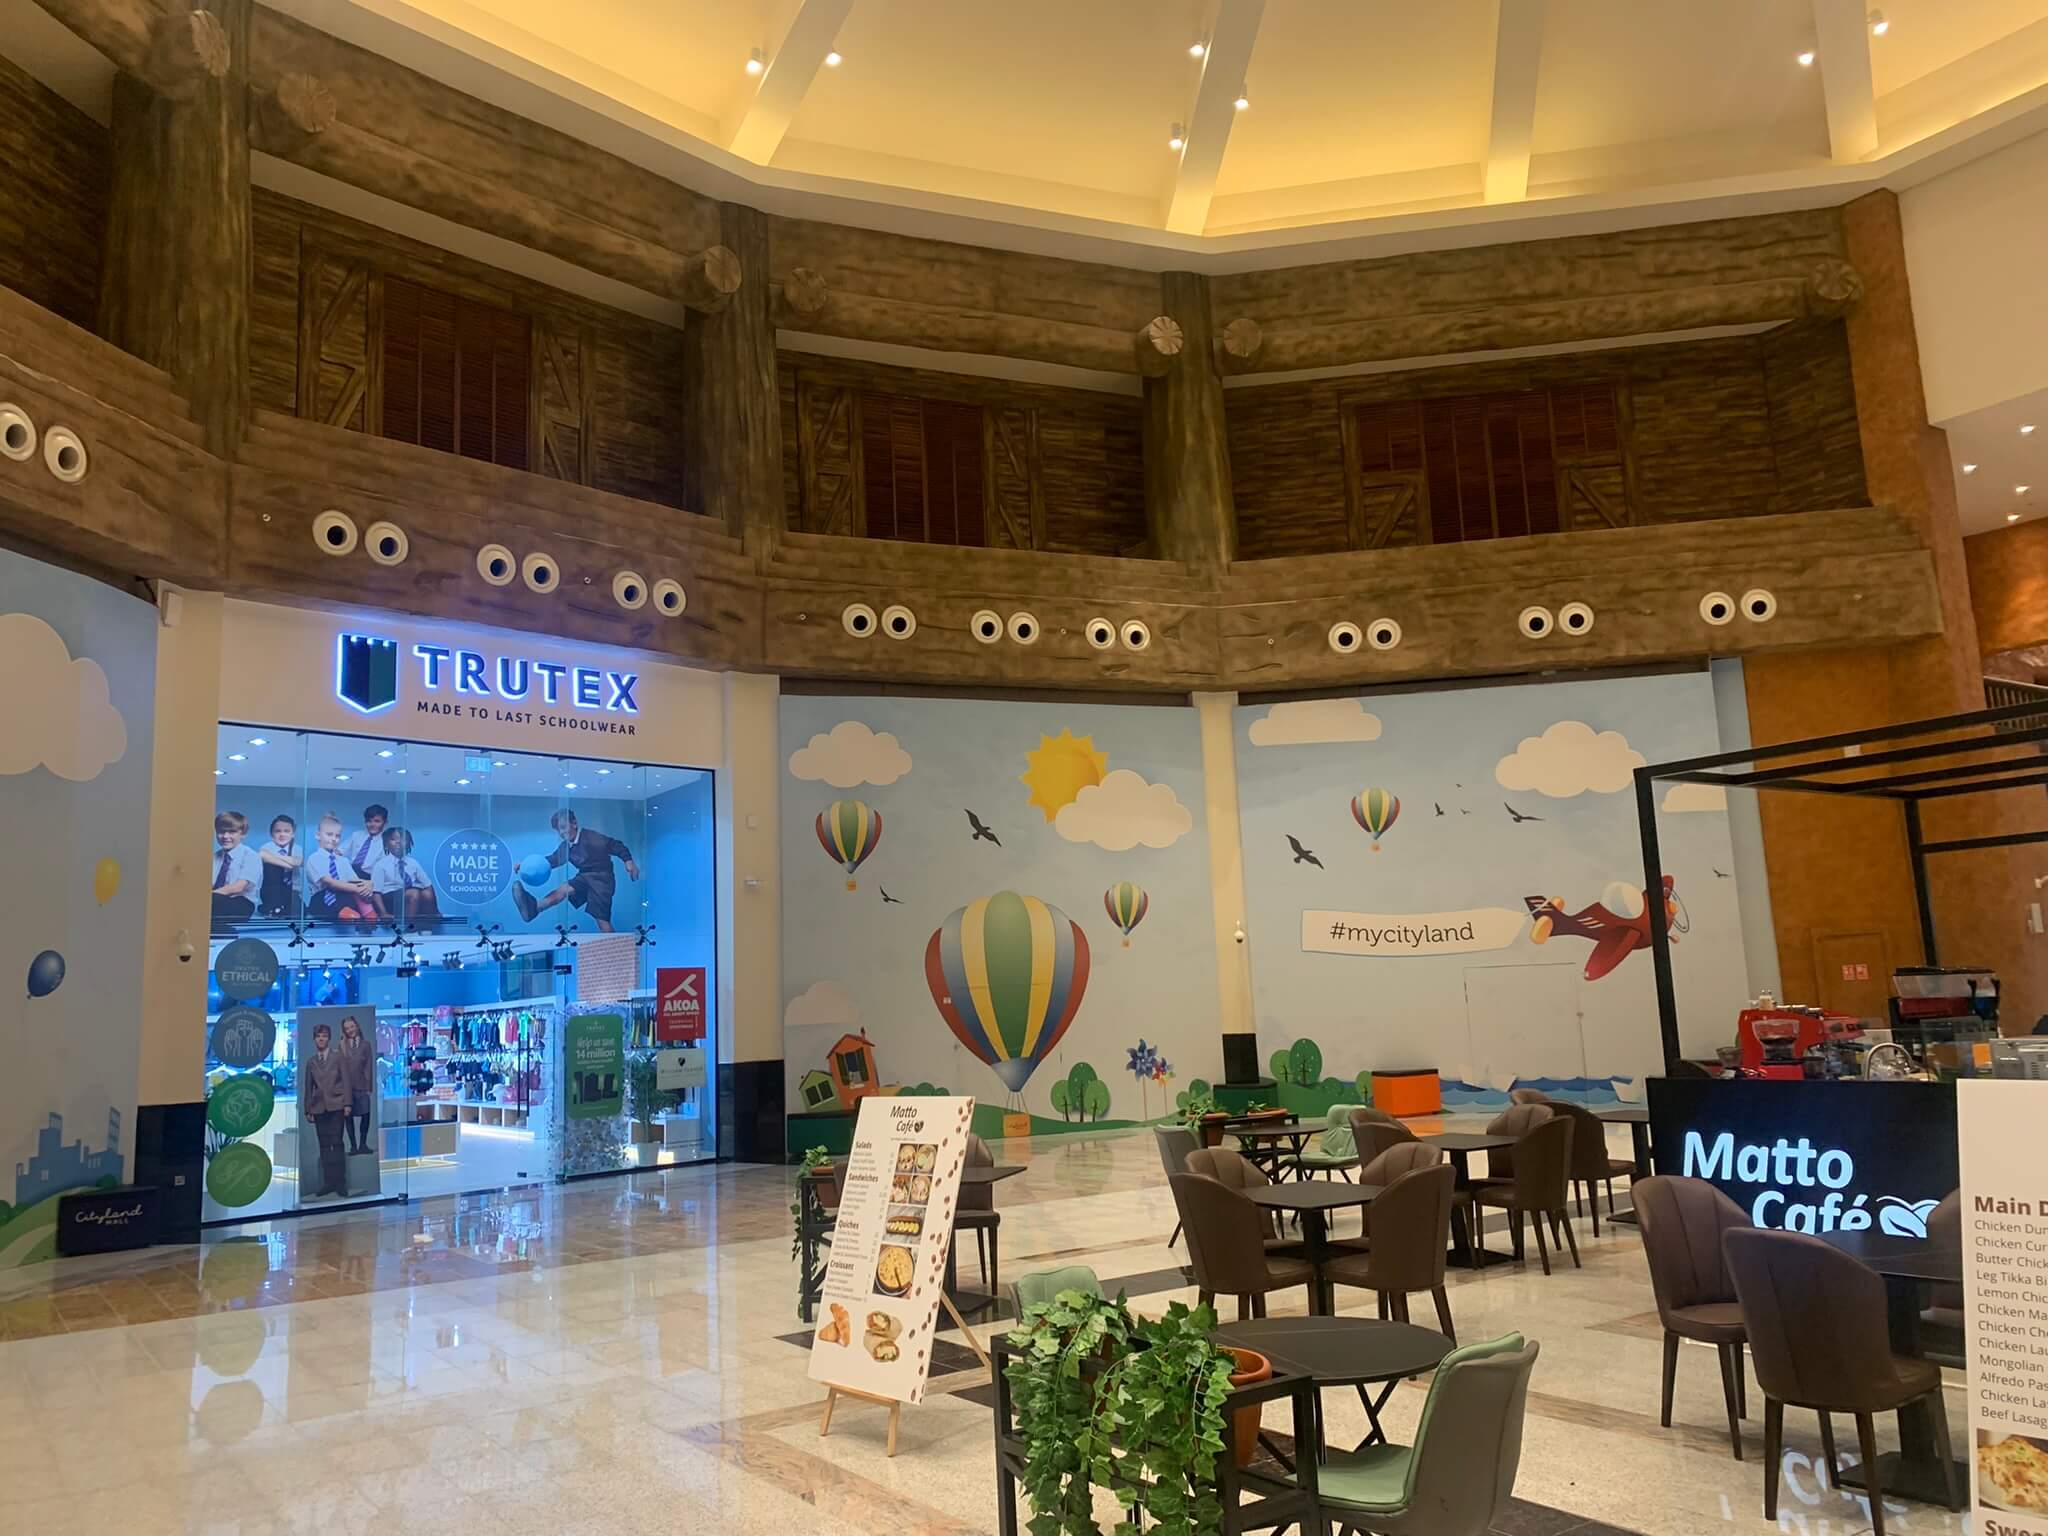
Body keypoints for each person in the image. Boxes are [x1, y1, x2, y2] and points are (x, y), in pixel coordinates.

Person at [512, 809, 640, 933]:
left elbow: (614, 844)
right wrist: (525, 865)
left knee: (602, 920)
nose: (561, 832)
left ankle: (613, 945)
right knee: (562, 890)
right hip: (584, 876)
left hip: (602, 879)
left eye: (563, 827)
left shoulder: (590, 837)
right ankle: (535, 908)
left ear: (574, 823)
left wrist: (628, 861)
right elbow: (552, 860)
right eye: (558, 830)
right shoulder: (566, 846)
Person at [301, 1022, 351, 1199]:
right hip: (318, 1107)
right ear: (314, 1039)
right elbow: (308, 1087)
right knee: (323, 1145)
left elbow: (346, 1081)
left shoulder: (338, 1058)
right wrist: (307, 1109)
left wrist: (348, 1104)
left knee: (336, 1143)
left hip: (337, 1105)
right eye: (318, 1036)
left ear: (328, 1039)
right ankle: (328, 1182)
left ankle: (340, 1183)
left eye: (324, 1036)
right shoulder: (311, 1062)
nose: (321, 1039)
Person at [304, 811, 374, 923]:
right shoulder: (314, 858)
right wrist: (358, 889)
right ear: (318, 835)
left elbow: (355, 881)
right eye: (329, 834)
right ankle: (356, 918)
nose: (334, 839)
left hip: (343, 898)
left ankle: (371, 917)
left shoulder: (343, 861)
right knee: (353, 893)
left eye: (337, 836)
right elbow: (331, 883)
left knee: (359, 893)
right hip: (323, 900)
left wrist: (368, 885)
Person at [368, 826, 438, 924]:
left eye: (402, 839)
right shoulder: (381, 865)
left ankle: (427, 927)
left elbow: (428, 885)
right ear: (386, 844)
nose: (398, 842)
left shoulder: (413, 863)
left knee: (426, 893)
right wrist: (383, 913)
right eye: (393, 839)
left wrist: (435, 910)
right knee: (414, 892)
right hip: (389, 899)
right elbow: (376, 893)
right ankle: (407, 928)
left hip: (410, 897)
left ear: (408, 843)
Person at [210, 811, 263, 922]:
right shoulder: (215, 857)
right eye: (221, 831)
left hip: (242, 902)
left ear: (243, 834)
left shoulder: (251, 856)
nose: (225, 836)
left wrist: (206, 898)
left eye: (232, 832)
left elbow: (238, 887)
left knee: (212, 901)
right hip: (217, 899)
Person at [339, 1014, 376, 1158]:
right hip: (347, 1088)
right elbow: (340, 1068)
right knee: (348, 1117)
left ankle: (363, 1144)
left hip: (362, 1086)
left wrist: (369, 1086)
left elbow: (368, 1066)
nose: (350, 1030)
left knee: (366, 1115)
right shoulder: (342, 1045)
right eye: (347, 1028)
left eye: (352, 1026)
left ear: (357, 1026)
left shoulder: (366, 1045)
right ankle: (353, 1146)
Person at [256, 814, 303, 919]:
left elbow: (297, 862)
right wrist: (288, 864)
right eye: (278, 831)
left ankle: (272, 908)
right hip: (271, 890)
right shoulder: (267, 847)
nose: (282, 834)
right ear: (271, 833)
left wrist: (273, 856)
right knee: (272, 867)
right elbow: (262, 855)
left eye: (286, 831)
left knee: (299, 910)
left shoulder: (297, 848)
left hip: (292, 891)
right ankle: (271, 907)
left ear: (293, 833)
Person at [345, 804, 388, 881]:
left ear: (385, 823)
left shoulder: (387, 842)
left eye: (377, 821)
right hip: (350, 872)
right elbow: (339, 851)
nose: (372, 824)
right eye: (369, 821)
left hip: (369, 877)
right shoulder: (356, 835)